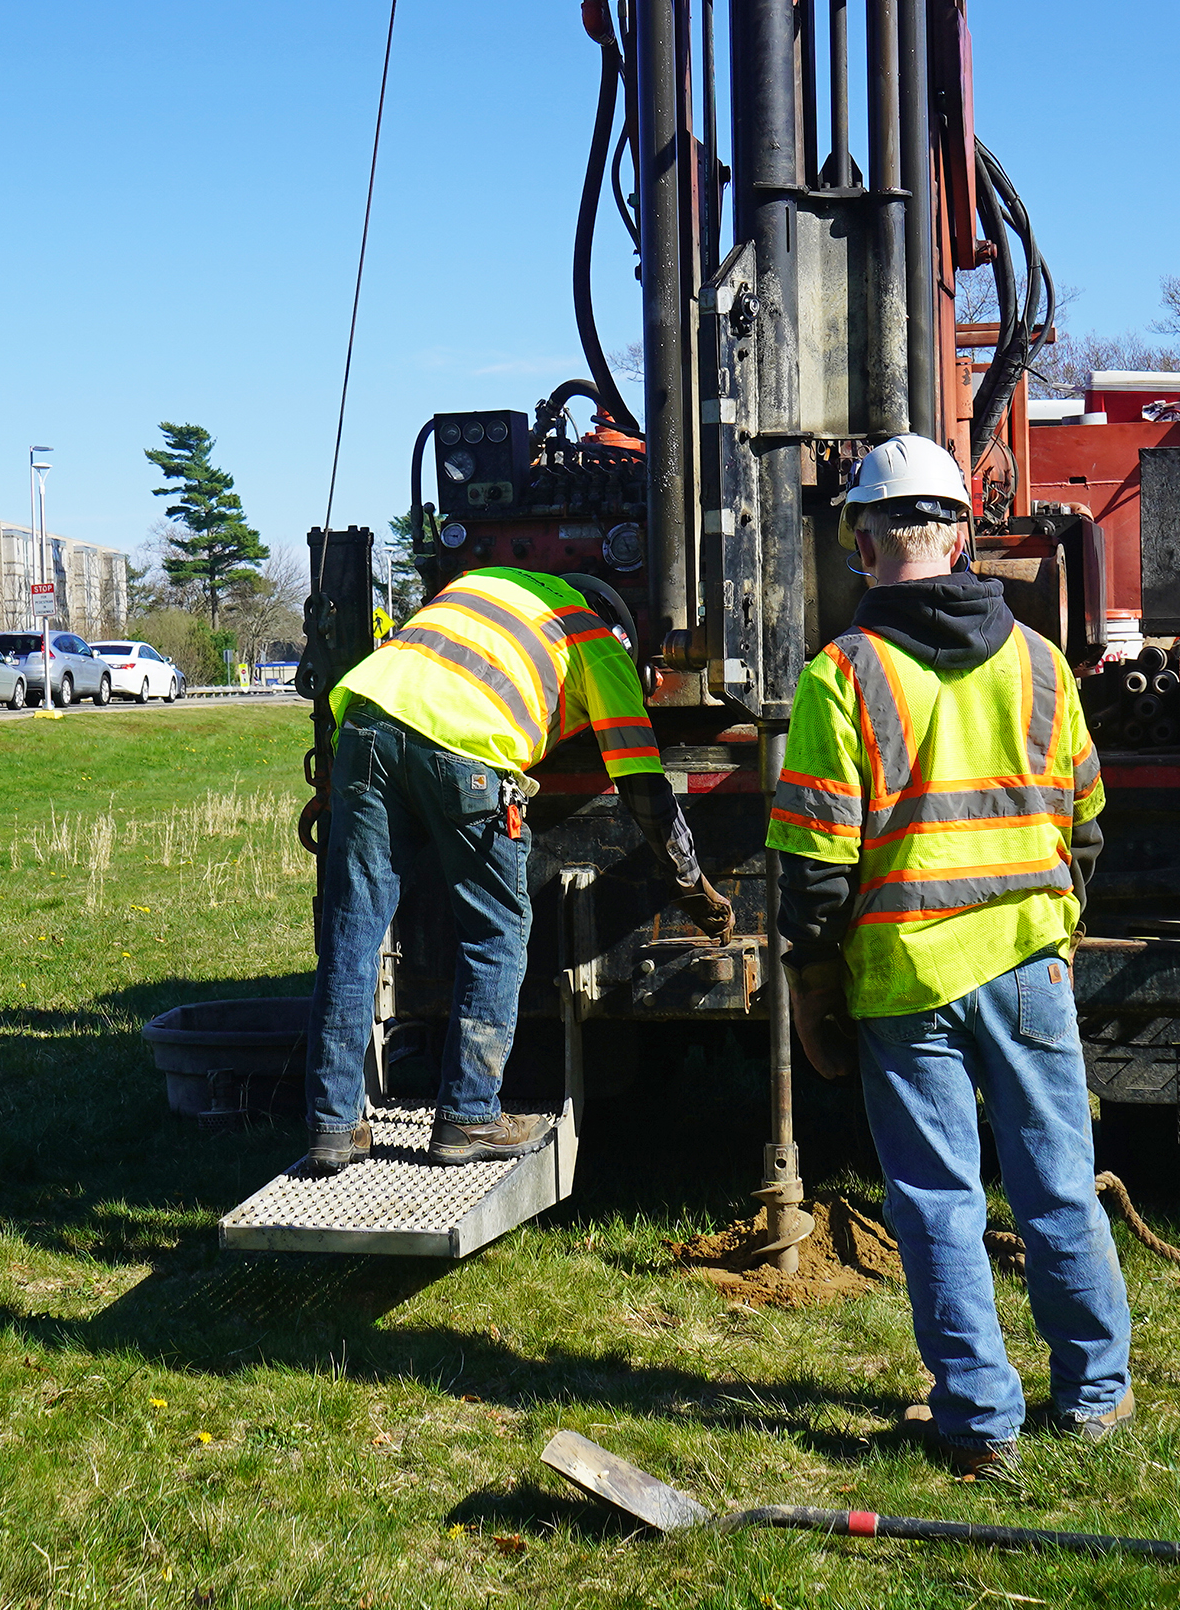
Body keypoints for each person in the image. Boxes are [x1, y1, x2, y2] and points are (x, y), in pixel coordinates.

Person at [766, 433, 1129, 1481]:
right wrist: (1049, 932)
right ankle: (1095, 1397)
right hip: (1028, 967)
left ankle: (978, 1422)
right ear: (963, 535)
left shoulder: (842, 676)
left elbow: (816, 868)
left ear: (861, 544)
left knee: (936, 1201)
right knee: (1057, 1181)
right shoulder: (1041, 662)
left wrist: (811, 991)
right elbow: (1088, 824)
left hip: (903, 978)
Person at [307, 566, 728, 1170]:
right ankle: (469, 1119)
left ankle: (332, 1126)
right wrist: (691, 882)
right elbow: (641, 783)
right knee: (496, 934)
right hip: (465, 751)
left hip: (366, 725)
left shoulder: (487, 582)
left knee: (352, 932)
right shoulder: (598, 643)